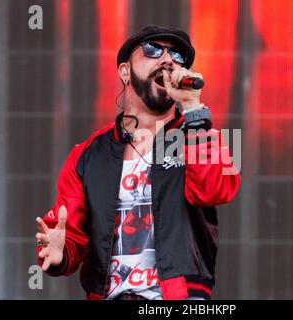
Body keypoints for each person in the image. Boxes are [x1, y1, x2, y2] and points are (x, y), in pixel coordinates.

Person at [35, 25, 240, 300]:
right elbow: (68, 235)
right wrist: (60, 252)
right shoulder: (87, 154)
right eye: (153, 50)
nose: (168, 59)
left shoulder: (206, 135)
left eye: (178, 56)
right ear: (124, 71)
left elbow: (216, 190)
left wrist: (193, 110)